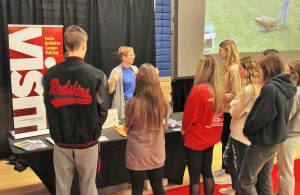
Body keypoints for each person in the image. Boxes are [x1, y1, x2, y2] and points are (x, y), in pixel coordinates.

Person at [43, 25, 109, 195]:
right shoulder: (97, 75)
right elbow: (103, 110)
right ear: (84, 46)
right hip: (87, 143)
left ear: (65, 46)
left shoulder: (50, 75)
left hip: (61, 142)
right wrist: (93, 129)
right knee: (88, 187)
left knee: (62, 188)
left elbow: (47, 105)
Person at [238, 53, 297, 195]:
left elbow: (260, 117)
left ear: (268, 69)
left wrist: (248, 130)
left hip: (263, 142)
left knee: (245, 181)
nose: (259, 72)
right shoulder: (287, 88)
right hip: (273, 141)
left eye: (261, 69)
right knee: (264, 179)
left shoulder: (271, 88)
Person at [219, 56, 263, 195]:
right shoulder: (252, 87)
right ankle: (235, 188)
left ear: (248, 70)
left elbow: (234, 112)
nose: (238, 69)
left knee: (240, 166)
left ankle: (239, 190)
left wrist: (233, 103)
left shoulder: (250, 90)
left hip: (241, 134)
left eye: (241, 67)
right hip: (237, 132)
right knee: (230, 160)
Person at [181, 55, 224, 195]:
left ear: (202, 70)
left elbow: (189, 116)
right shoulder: (217, 89)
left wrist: (184, 129)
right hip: (210, 137)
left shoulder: (199, 90)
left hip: (196, 139)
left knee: (194, 177)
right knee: (207, 171)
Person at [124, 63, 169, 195]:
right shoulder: (163, 102)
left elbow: (127, 129)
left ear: (139, 80)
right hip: (157, 151)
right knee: (157, 186)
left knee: (137, 190)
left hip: (137, 153)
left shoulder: (132, 104)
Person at [215, 40, 241, 183]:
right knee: (224, 140)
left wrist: (221, 96)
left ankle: (228, 171)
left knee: (227, 140)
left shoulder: (234, 69)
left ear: (228, 51)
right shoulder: (226, 67)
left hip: (230, 111)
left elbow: (236, 93)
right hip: (223, 109)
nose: (219, 53)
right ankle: (224, 167)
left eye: (221, 50)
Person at [277, 60, 300, 195]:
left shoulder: (295, 94)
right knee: (284, 170)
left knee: (285, 172)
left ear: (294, 75)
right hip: (293, 134)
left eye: (287, 71)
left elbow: (286, 116)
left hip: (289, 135)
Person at [108, 46, 138, 119]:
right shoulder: (116, 71)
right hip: (123, 106)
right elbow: (110, 91)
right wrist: (112, 82)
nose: (134, 57)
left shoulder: (135, 69)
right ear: (123, 57)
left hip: (135, 104)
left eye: (134, 54)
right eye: (131, 55)